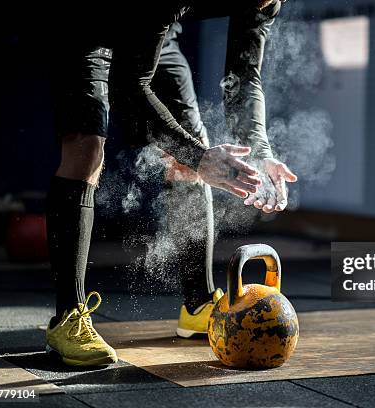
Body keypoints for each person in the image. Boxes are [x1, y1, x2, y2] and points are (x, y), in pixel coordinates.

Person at [45, 0, 297, 367]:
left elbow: (244, 76)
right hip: (87, 25)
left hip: (155, 36)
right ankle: (67, 318)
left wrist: (259, 151)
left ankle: (197, 304)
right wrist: (200, 158)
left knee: (193, 141)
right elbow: (130, 88)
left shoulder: (268, 0)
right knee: (86, 150)